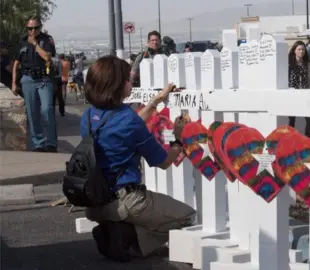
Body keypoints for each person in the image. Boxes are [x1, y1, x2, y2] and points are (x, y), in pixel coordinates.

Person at [82, 55, 196, 261]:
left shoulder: (89, 116)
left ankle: (116, 231)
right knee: (187, 216)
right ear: (115, 85)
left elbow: (125, 127)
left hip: (95, 201)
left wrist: (153, 103)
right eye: (127, 79)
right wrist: (178, 138)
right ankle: (127, 240)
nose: (130, 83)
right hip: (128, 201)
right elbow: (164, 162)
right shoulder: (128, 120)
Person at [12, 15, 57, 152]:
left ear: (40, 27)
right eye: (30, 28)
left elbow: (47, 57)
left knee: (47, 110)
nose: (32, 31)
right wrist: (14, 82)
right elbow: (16, 63)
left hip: (44, 79)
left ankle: (51, 143)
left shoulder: (46, 40)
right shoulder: (22, 42)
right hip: (28, 79)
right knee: (32, 113)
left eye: (35, 28)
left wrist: (35, 44)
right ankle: (38, 143)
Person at [287, 41, 310, 138]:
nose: (301, 51)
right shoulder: (289, 63)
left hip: (304, 93)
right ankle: (290, 138)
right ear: (294, 51)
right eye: (299, 49)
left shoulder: (307, 64)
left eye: (303, 49)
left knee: (308, 118)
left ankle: (307, 137)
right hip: (293, 94)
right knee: (292, 118)